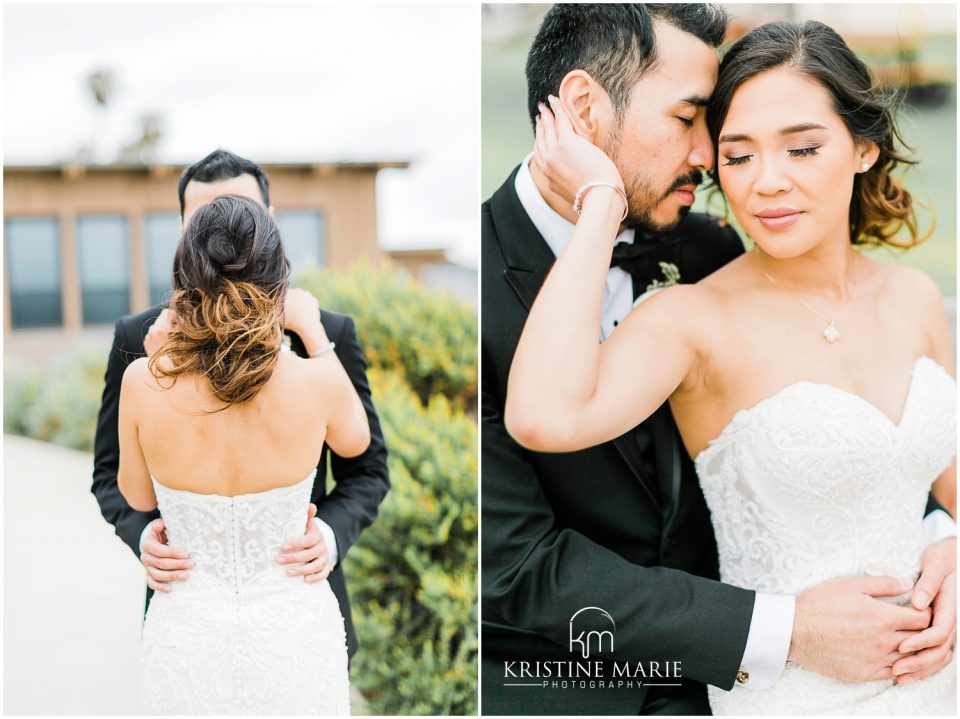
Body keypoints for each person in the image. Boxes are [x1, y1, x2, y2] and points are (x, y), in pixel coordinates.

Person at [481, 4, 956, 715]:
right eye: (694, 125)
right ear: (584, 108)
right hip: (582, 683)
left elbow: (886, 455)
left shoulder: (707, 248)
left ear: (864, 148)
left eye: (800, 148)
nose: (712, 160)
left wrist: (946, 541)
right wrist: (787, 631)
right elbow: (517, 562)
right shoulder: (490, 292)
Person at [92, 150, 390, 665]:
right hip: (196, 610)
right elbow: (110, 477)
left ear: (268, 222)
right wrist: (143, 536)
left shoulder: (327, 330)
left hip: (286, 604)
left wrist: (327, 534)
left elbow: (368, 468)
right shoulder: (136, 337)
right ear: (184, 228)